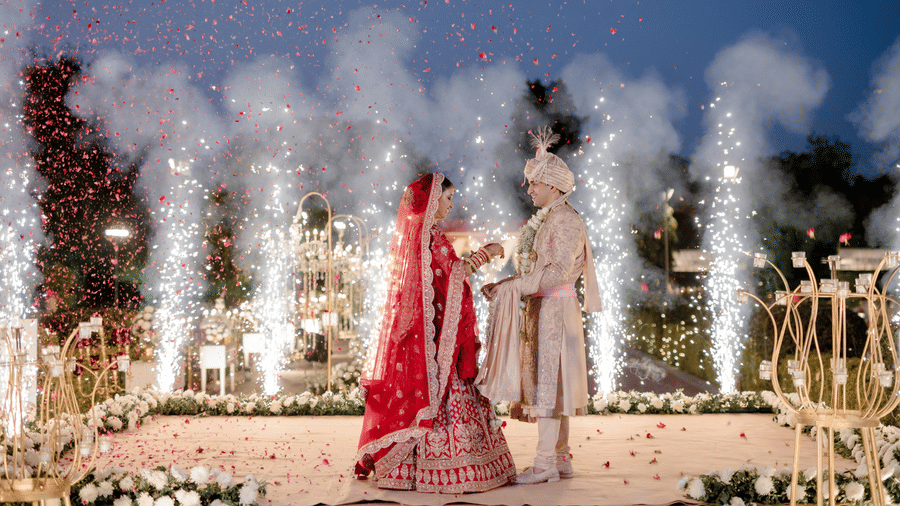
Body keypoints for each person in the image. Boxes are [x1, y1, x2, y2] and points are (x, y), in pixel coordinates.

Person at [354, 172, 516, 493]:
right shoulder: (432, 234)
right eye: (448, 198)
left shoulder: (413, 233)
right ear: (432, 199)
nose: (451, 205)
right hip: (437, 338)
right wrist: (488, 251)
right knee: (438, 391)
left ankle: (401, 469)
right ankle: (450, 467)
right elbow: (455, 274)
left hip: (418, 333)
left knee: (413, 394)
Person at [478, 127, 602, 484]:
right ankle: (559, 459)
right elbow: (538, 270)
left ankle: (546, 462)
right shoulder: (551, 217)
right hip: (544, 310)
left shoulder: (564, 220)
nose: (529, 189)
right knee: (552, 385)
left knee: (549, 386)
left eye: (535, 183)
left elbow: (555, 274)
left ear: (554, 187)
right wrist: (507, 285)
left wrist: (513, 287)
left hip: (554, 310)